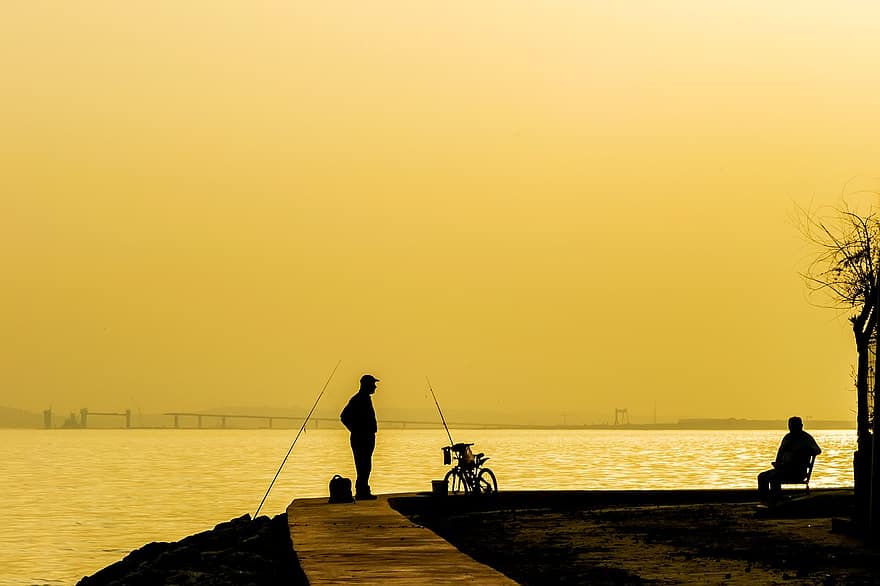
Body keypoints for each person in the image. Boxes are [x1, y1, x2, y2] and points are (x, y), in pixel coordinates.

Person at [757, 416, 821, 503]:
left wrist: (804, 451)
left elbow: (817, 450)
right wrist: (778, 464)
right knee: (762, 476)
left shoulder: (806, 438)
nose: (791, 428)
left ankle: (776, 500)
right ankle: (764, 500)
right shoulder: (787, 437)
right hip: (784, 469)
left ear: (801, 426)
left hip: (798, 472)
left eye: (794, 426)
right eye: (790, 426)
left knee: (774, 477)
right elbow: (780, 453)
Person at [340, 374, 379, 500]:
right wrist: (355, 430)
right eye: (373, 384)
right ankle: (362, 492)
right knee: (363, 465)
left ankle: (363, 490)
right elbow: (343, 416)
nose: (375, 387)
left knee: (366, 465)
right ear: (366, 385)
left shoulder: (365, 399)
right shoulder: (358, 399)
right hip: (361, 438)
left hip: (367, 437)